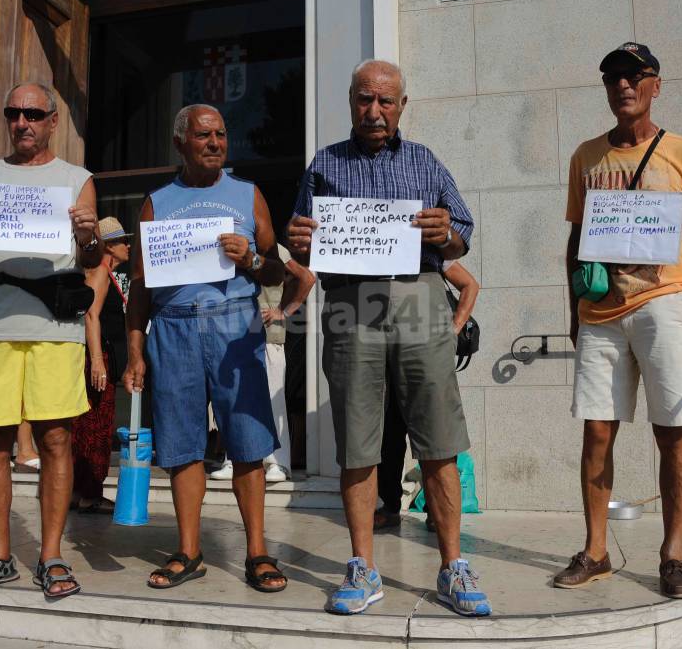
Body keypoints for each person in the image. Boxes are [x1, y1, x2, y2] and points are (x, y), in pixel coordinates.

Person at [287, 59, 491, 617]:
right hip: (351, 305)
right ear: (350, 102)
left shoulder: (424, 160)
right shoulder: (324, 163)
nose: (374, 111)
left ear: (402, 105)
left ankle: (453, 565)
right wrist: (298, 239)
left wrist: (445, 231)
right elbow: (300, 246)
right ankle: (362, 565)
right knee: (357, 442)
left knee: (439, 440)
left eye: (385, 101)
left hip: (420, 299)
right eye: (363, 100)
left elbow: (463, 236)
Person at [555, 43, 682, 599]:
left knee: (673, 431)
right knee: (596, 431)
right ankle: (595, 551)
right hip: (600, 312)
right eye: (613, 76)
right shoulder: (586, 157)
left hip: (665, 302)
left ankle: (673, 554)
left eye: (634, 76)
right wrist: (573, 313)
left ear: (655, 84)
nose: (623, 86)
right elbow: (576, 240)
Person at [0, 82, 101, 600]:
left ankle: (51, 554)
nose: (22, 122)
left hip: (54, 327)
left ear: (53, 121)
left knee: (56, 439)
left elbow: (94, 256)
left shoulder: (77, 180)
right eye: (14, 113)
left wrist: (88, 234)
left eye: (33, 113)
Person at [123, 104, 289, 593]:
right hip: (171, 327)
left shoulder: (248, 194)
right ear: (180, 144)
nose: (215, 143)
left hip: (233, 325)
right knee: (181, 444)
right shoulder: (156, 202)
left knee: (247, 442)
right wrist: (135, 350)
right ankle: (189, 550)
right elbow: (139, 287)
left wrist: (254, 258)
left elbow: (278, 272)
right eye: (203, 135)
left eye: (220, 134)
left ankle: (257, 550)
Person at [374, 261, 479, 531]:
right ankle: (390, 506)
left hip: (424, 360)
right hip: (384, 360)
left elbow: (469, 284)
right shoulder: (374, 257)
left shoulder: (428, 253)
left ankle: (436, 510)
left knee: (436, 439)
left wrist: (453, 329)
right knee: (388, 438)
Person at [210, 243, 315, 483]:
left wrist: (283, 311)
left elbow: (306, 278)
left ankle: (279, 462)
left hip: (267, 334)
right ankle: (233, 458)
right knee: (233, 398)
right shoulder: (225, 243)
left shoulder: (275, 249)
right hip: (233, 333)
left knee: (272, 400)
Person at [71, 216, 132, 514]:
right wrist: (97, 361)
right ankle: (89, 492)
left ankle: (79, 491)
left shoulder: (105, 272)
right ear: (108, 246)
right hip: (99, 357)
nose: (128, 246)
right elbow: (91, 315)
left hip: (101, 356)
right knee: (96, 425)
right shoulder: (99, 272)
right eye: (122, 241)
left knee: (87, 424)